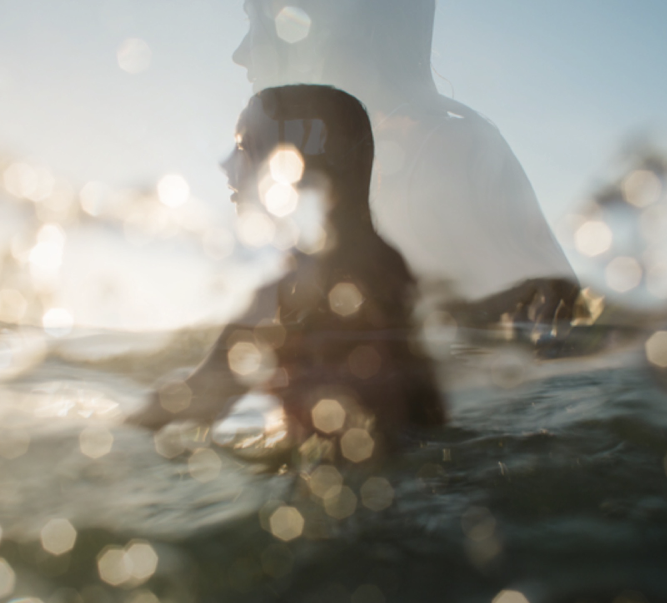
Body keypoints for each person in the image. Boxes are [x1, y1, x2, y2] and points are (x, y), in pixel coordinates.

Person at [234, 0, 579, 332]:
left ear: (327, 28)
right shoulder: (331, 170)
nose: (240, 52)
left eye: (257, 22)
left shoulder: (442, 154)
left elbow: (544, 344)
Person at [130, 85, 445, 447]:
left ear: (293, 164)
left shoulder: (290, 293)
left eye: (246, 146)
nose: (225, 163)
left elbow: (196, 400)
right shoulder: (387, 267)